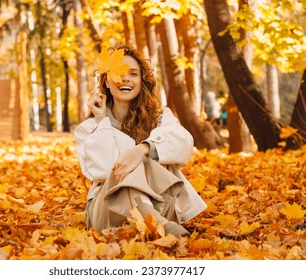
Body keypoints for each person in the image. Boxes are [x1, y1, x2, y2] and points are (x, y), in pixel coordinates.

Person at [74, 43, 207, 237]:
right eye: (118, 73)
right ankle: (153, 222)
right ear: (107, 83)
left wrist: (143, 149)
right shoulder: (89, 128)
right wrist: (102, 120)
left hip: (161, 205)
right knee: (128, 163)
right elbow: (103, 169)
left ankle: (144, 224)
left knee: (138, 156)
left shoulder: (161, 120)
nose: (125, 77)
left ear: (142, 81)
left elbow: (184, 144)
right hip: (108, 212)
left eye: (133, 73)